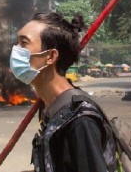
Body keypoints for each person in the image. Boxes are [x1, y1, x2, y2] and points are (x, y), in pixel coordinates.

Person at [10, 12, 116, 172]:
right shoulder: (50, 108)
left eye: (24, 43)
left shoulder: (80, 119)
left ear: (51, 56)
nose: (15, 49)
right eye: (17, 42)